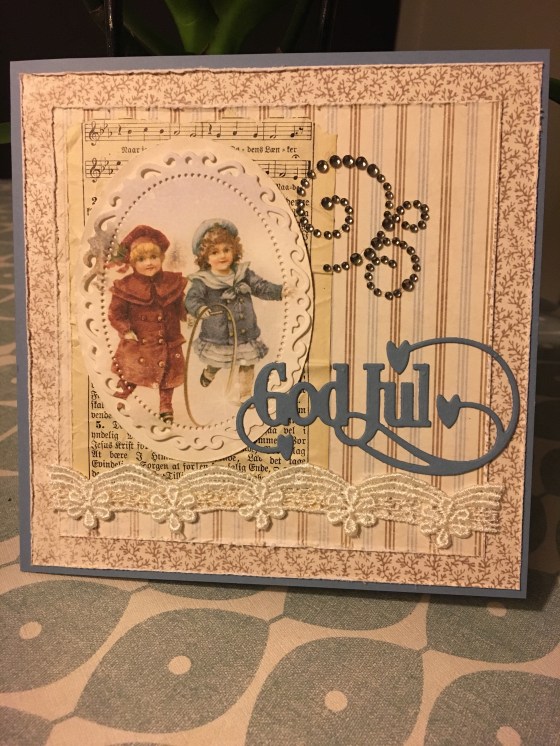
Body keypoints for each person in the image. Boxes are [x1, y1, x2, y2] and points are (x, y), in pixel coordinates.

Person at [185, 219, 285, 401]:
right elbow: (191, 299)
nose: (222, 256)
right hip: (218, 336)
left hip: (245, 333)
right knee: (217, 360)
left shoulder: (243, 273)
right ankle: (210, 372)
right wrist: (199, 308)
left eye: (226, 249)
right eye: (214, 252)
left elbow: (260, 286)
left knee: (247, 362)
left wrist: (280, 291)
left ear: (234, 250)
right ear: (205, 257)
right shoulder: (203, 280)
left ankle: (245, 395)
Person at [107, 225, 187, 424]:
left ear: (161, 257)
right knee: (131, 371)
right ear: (132, 262)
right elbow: (115, 314)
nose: (149, 263)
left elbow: (180, 305)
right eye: (142, 259)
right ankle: (120, 397)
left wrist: (189, 314)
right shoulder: (125, 287)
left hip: (168, 340)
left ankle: (166, 405)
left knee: (168, 374)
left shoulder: (171, 282)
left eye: (154, 257)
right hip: (139, 341)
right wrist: (125, 330)